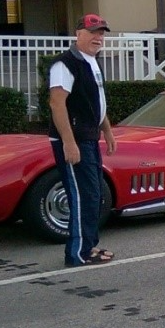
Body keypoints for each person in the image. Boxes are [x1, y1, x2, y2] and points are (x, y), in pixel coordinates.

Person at [48, 14, 117, 266]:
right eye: (92, 32)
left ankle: (89, 246)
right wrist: (68, 142)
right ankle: (77, 253)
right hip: (74, 140)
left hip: (89, 138)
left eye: (101, 33)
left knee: (94, 194)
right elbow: (57, 104)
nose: (98, 38)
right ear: (78, 33)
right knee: (81, 196)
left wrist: (107, 130)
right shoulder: (65, 64)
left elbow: (96, 103)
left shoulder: (92, 62)